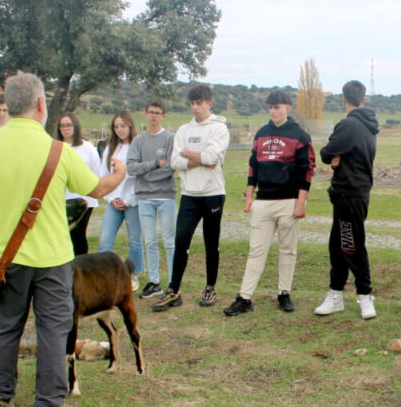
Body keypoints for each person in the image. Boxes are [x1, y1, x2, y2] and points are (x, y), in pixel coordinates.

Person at [0, 72, 125, 407]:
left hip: (6, 257)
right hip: (53, 258)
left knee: (6, 327)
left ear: (10, 104)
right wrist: (121, 174)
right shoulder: (59, 151)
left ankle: (0, 398)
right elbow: (97, 190)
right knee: (54, 330)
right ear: (40, 105)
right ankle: (49, 403)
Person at [223, 91, 315, 316]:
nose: (274, 111)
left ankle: (284, 293)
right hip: (263, 201)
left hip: (289, 201)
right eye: (271, 107)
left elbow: (306, 170)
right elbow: (253, 165)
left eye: (278, 107)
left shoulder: (299, 135)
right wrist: (249, 195)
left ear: (288, 108)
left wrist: (301, 202)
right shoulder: (262, 134)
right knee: (256, 250)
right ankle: (245, 297)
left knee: (287, 250)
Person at [151, 85, 230, 311]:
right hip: (189, 195)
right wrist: (195, 158)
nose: (195, 108)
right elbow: (175, 161)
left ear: (209, 104)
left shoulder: (219, 129)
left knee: (211, 243)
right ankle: (174, 290)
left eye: (199, 103)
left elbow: (211, 156)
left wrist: (189, 155)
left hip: (213, 193)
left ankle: (210, 287)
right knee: (181, 240)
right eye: (192, 104)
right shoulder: (183, 130)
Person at [314, 80, 381, 320]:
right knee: (338, 244)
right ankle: (335, 294)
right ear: (363, 99)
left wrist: (334, 157)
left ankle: (365, 295)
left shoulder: (349, 125)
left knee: (351, 245)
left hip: (350, 193)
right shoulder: (369, 125)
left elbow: (325, 153)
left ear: (344, 99)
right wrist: (336, 157)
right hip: (353, 192)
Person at [126, 100, 176, 299]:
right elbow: (131, 168)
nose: (154, 116)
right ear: (145, 114)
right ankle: (155, 282)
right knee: (151, 241)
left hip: (165, 196)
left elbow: (171, 167)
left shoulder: (170, 139)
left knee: (169, 242)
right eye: (151, 112)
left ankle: (173, 282)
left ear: (163, 116)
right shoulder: (139, 141)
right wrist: (154, 164)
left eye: (158, 112)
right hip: (144, 197)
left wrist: (145, 171)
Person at [96, 111, 142, 292]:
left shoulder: (137, 146)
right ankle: (104, 276)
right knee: (105, 241)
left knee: (135, 241)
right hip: (113, 202)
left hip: (132, 202)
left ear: (130, 126)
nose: (120, 130)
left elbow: (140, 177)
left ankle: (133, 274)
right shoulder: (110, 149)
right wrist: (109, 198)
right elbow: (103, 176)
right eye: (116, 126)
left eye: (123, 125)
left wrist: (130, 200)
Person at [56, 113, 102, 255]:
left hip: (84, 200)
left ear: (75, 126)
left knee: (78, 234)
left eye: (69, 125)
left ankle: (81, 265)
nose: (65, 128)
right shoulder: (56, 148)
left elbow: (96, 172)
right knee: (64, 236)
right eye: (62, 125)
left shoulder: (87, 148)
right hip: (63, 199)